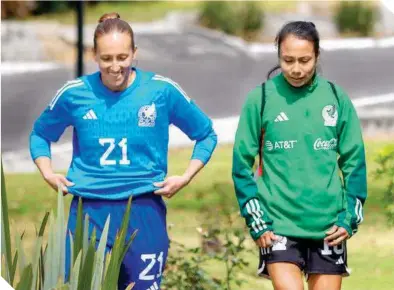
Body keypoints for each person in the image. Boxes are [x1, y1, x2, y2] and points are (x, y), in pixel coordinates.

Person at [29, 12, 217, 290]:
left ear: (134, 53)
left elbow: (206, 134)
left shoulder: (160, 91)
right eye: (107, 59)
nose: (115, 66)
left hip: (144, 209)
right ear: (94, 55)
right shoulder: (74, 93)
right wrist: (47, 173)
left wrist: (185, 176)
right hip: (88, 211)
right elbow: (40, 135)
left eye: (122, 57)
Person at [232, 21, 367, 290]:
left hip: (329, 227)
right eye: (288, 60)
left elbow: (355, 164)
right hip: (278, 225)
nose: (296, 69)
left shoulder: (335, 98)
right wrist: (257, 220)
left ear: (317, 55)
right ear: (278, 55)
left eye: (304, 60)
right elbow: (241, 166)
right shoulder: (260, 99)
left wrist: (349, 217)